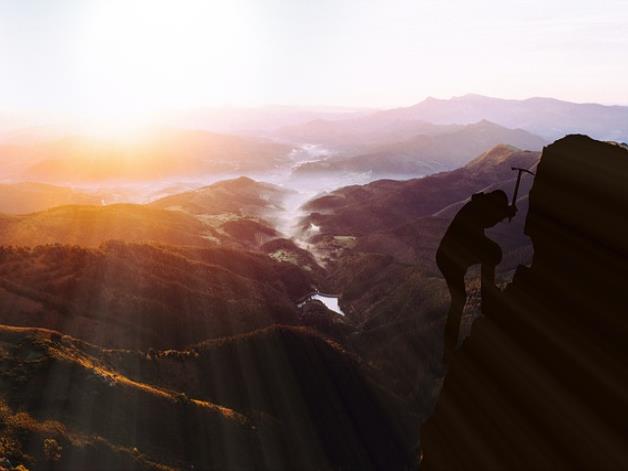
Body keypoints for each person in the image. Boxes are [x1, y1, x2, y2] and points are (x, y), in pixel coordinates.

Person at [436, 190, 516, 365]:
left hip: (450, 257)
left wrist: (504, 212)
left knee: (459, 301)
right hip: (451, 258)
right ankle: (487, 297)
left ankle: (448, 351)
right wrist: (505, 213)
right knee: (492, 253)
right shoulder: (478, 210)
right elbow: (487, 219)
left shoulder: (477, 206)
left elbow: (487, 219)